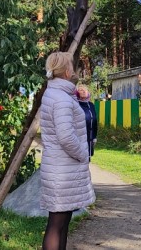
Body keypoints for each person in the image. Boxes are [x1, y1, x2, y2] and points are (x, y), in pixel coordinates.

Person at [39, 51, 95, 250]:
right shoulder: (61, 99)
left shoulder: (56, 94)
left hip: (60, 167)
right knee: (56, 224)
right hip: (62, 171)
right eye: (71, 66)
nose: (73, 69)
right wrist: (83, 153)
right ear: (65, 71)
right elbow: (66, 136)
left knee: (62, 224)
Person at [76, 84, 98, 158]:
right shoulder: (76, 104)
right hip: (79, 138)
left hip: (90, 137)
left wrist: (94, 136)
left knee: (87, 158)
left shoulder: (91, 105)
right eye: (81, 90)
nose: (84, 91)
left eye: (85, 89)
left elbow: (94, 121)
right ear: (77, 93)